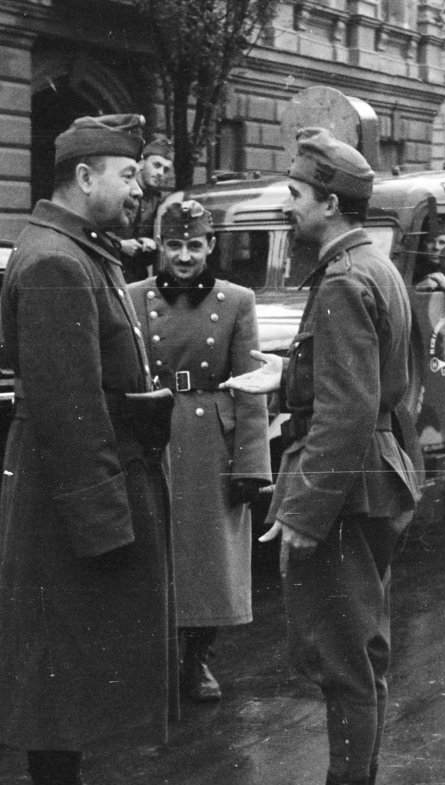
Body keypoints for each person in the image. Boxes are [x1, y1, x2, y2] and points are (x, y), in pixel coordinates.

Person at [0, 113, 178, 785]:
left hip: (70, 479)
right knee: (55, 648)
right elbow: (70, 410)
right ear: (85, 176)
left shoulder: (76, 250)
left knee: (64, 643)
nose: (139, 188)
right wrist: (104, 517)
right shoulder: (57, 264)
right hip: (67, 486)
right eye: (128, 175)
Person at [247, 128, 421, 785]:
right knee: (360, 655)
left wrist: (301, 512)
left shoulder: (346, 281)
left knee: (346, 660)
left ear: (328, 202)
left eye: (294, 193)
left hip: (346, 495)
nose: (286, 206)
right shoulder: (367, 266)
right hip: (369, 483)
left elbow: (347, 412)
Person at [127, 200, 272, 702]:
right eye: (174, 245)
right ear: (160, 248)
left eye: (194, 245)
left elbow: (251, 386)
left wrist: (252, 464)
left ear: (210, 246)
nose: (184, 256)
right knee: (158, 550)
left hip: (212, 438)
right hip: (156, 434)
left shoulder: (236, 301)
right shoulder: (133, 297)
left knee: (211, 559)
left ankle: (198, 660)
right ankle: (159, 657)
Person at [119, 135, 175, 282]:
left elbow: (160, 238)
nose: (160, 173)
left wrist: (150, 243)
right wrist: (120, 245)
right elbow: (94, 227)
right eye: (156, 165)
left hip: (136, 277)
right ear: (142, 163)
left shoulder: (157, 202)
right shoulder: (121, 190)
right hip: (109, 269)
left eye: (166, 169)